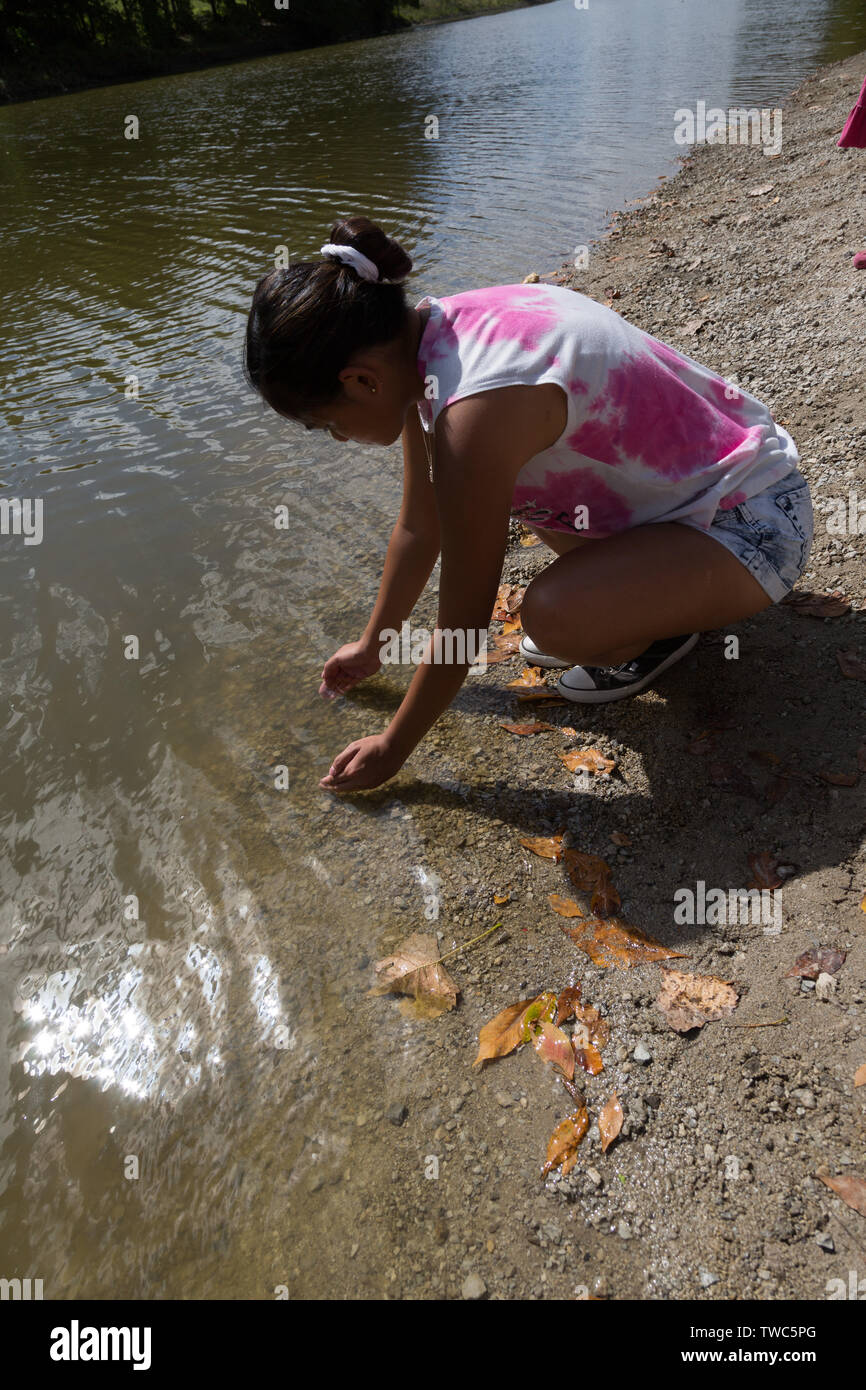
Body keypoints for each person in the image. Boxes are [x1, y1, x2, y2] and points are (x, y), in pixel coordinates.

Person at [244, 216, 813, 793]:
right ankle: (647, 604)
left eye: (324, 423)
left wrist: (394, 747)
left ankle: (655, 639)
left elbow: (464, 624)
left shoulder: (476, 412)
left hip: (757, 527)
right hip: (695, 499)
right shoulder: (432, 340)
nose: (337, 438)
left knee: (551, 617)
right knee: (520, 518)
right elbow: (421, 525)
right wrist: (374, 646)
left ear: (362, 382)